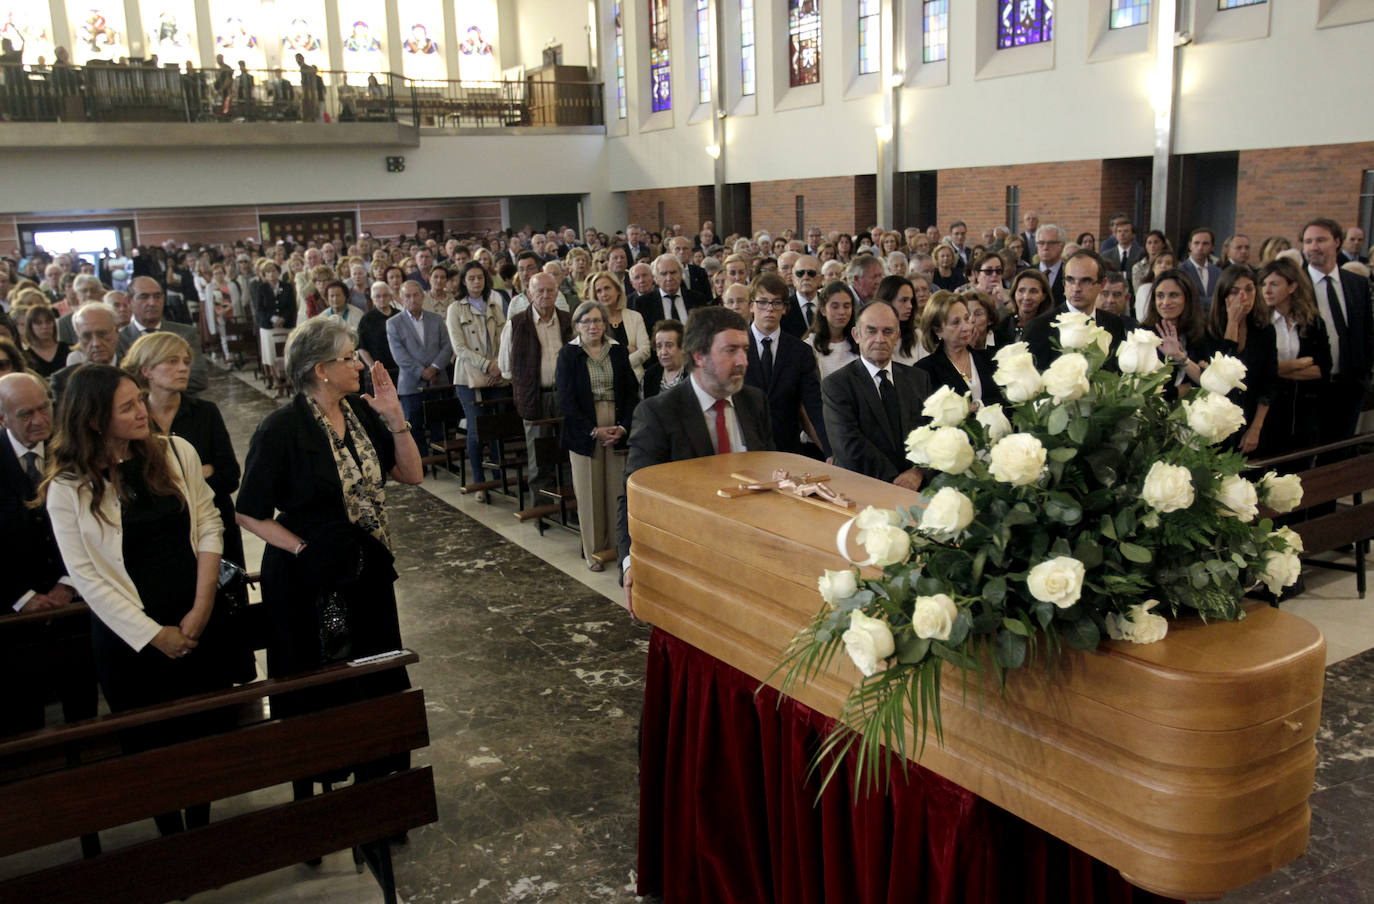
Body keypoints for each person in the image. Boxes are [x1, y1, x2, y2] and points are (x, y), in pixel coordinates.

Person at [235, 317, 423, 800]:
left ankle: (378, 787)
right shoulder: (281, 428)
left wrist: (394, 418)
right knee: (323, 683)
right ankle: (322, 796)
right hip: (310, 578)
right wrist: (303, 548)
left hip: (367, 568)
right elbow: (249, 513)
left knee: (376, 677)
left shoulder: (359, 414)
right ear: (320, 369)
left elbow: (410, 473)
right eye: (348, 357)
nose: (358, 364)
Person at [43, 365, 232, 836]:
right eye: (126, 407)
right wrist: (154, 635)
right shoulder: (67, 488)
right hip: (129, 640)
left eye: (139, 400)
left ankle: (202, 827)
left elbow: (209, 522)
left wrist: (202, 606)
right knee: (149, 747)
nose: (141, 411)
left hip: (195, 618)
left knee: (202, 737)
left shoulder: (175, 453)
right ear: (92, 420)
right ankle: (170, 836)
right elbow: (87, 577)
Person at [617, 307, 773, 612]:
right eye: (731, 351)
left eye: (744, 350)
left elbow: (768, 478)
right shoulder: (659, 413)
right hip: (689, 558)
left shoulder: (754, 402)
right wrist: (631, 561)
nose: (743, 361)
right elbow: (635, 495)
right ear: (699, 355)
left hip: (750, 557)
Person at [0, 372, 99, 739]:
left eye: (45, 408)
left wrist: (67, 583)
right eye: (26, 414)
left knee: (84, 710)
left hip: (75, 606)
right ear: (3, 418)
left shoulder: (75, 450)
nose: (40, 420)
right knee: (22, 718)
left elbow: (95, 522)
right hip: (13, 617)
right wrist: (22, 598)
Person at [556, 299, 639, 572]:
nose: (592, 326)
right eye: (586, 321)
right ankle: (594, 553)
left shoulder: (617, 351)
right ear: (577, 325)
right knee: (590, 492)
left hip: (615, 425)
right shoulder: (569, 354)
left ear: (605, 323)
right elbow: (566, 400)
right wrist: (592, 429)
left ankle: (618, 549)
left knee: (616, 490)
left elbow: (630, 393)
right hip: (585, 428)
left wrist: (623, 427)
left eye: (597, 320)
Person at [822, 301, 932, 490]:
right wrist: (897, 482)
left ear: (897, 336)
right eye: (871, 331)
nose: (880, 339)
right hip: (862, 490)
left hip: (916, 489)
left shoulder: (918, 378)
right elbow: (848, 445)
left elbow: (933, 432)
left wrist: (919, 472)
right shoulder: (837, 385)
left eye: (888, 331)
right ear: (857, 335)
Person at [1301, 217, 1374, 445]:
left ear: (1337, 242)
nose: (1314, 247)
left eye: (1321, 240)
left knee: (1339, 454)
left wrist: (1364, 374)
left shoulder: (1357, 283)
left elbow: (1366, 332)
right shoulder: (1296, 284)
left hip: (1350, 385)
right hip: (1308, 387)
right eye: (1308, 241)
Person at [744, 273, 828, 458]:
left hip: (787, 450)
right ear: (751, 306)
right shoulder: (736, 348)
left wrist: (830, 452)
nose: (770, 309)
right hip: (743, 448)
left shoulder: (800, 352)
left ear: (784, 309)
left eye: (777, 303)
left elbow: (813, 405)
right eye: (763, 302)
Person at [447, 261, 511, 499]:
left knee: (496, 427)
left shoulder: (495, 304)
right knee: (476, 428)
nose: (476, 282)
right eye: (471, 278)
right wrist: (486, 365)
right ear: (464, 281)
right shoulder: (456, 308)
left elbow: (505, 337)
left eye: (480, 278)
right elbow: (459, 347)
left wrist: (497, 365)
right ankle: (480, 482)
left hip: (497, 375)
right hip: (469, 377)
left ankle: (498, 476)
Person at [1257, 258, 1330, 457]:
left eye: (1274, 284)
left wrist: (1276, 369)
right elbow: (1257, 371)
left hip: (1302, 410)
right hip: (1267, 410)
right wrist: (1299, 364)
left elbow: (1321, 370)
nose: (1267, 290)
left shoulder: (1313, 322)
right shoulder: (1259, 323)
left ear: (1292, 287)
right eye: (1263, 284)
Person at [1200, 266, 1276, 454]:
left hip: (1252, 417)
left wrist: (1255, 428)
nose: (1243, 296)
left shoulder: (1264, 331)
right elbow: (1221, 379)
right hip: (1217, 420)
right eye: (1234, 291)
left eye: (1249, 289)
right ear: (1224, 296)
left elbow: (1269, 383)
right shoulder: (1208, 331)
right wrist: (1232, 323)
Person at [386, 280, 453, 454]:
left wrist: (434, 367)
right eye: (407, 296)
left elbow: (447, 346)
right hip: (410, 383)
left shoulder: (436, 319)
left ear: (423, 297)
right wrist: (422, 372)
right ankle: (420, 462)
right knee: (414, 426)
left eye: (416, 295)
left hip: (438, 380)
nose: (412, 299)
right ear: (401, 299)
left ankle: (442, 461)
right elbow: (399, 355)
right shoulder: (393, 323)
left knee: (440, 423)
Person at [121, 277, 208, 395]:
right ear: (128, 302)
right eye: (144, 297)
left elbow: (199, 379)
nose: (152, 302)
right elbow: (122, 385)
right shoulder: (120, 339)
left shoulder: (185, 334)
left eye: (157, 296)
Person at [917, 291, 1000, 410]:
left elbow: (1004, 401)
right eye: (956, 323)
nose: (967, 327)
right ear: (938, 330)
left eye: (966, 319)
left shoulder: (990, 359)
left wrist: (976, 406)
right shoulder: (925, 371)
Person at [1140, 268, 1208, 401]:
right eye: (1160, 296)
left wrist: (1179, 356)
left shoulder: (1200, 332)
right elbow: (1144, 391)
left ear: (1187, 298)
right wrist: (1180, 391)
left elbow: (1207, 381)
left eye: (1173, 295)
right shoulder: (1143, 333)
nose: (1165, 302)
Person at [589, 271, 650, 381]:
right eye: (599, 291)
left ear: (618, 290)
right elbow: (595, 355)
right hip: (604, 382)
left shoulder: (635, 317)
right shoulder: (592, 322)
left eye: (607, 288)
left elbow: (645, 351)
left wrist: (620, 363)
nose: (604, 294)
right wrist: (625, 350)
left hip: (635, 379)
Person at [805, 279, 859, 379]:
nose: (842, 312)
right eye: (835, 307)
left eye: (846, 306)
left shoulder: (859, 342)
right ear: (823, 310)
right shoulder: (810, 346)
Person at [995, 268, 1053, 346]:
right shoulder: (1003, 325)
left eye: (1033, 291)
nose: (1026, 297)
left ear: (1043, 296)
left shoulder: (1051, 328)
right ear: (1014, 294)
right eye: (1021, 290)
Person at [21, 303, 71, 378]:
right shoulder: (26, 356)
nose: (44, 326)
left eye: (48, 322)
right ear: (30, 327)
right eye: (38, 323)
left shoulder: (67, 348)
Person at [641, 319, 686, 398]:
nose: (663, 352)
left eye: (669, 345)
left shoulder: (694, 374)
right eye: (659, 346)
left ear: (682, 347)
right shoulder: (649, 376)